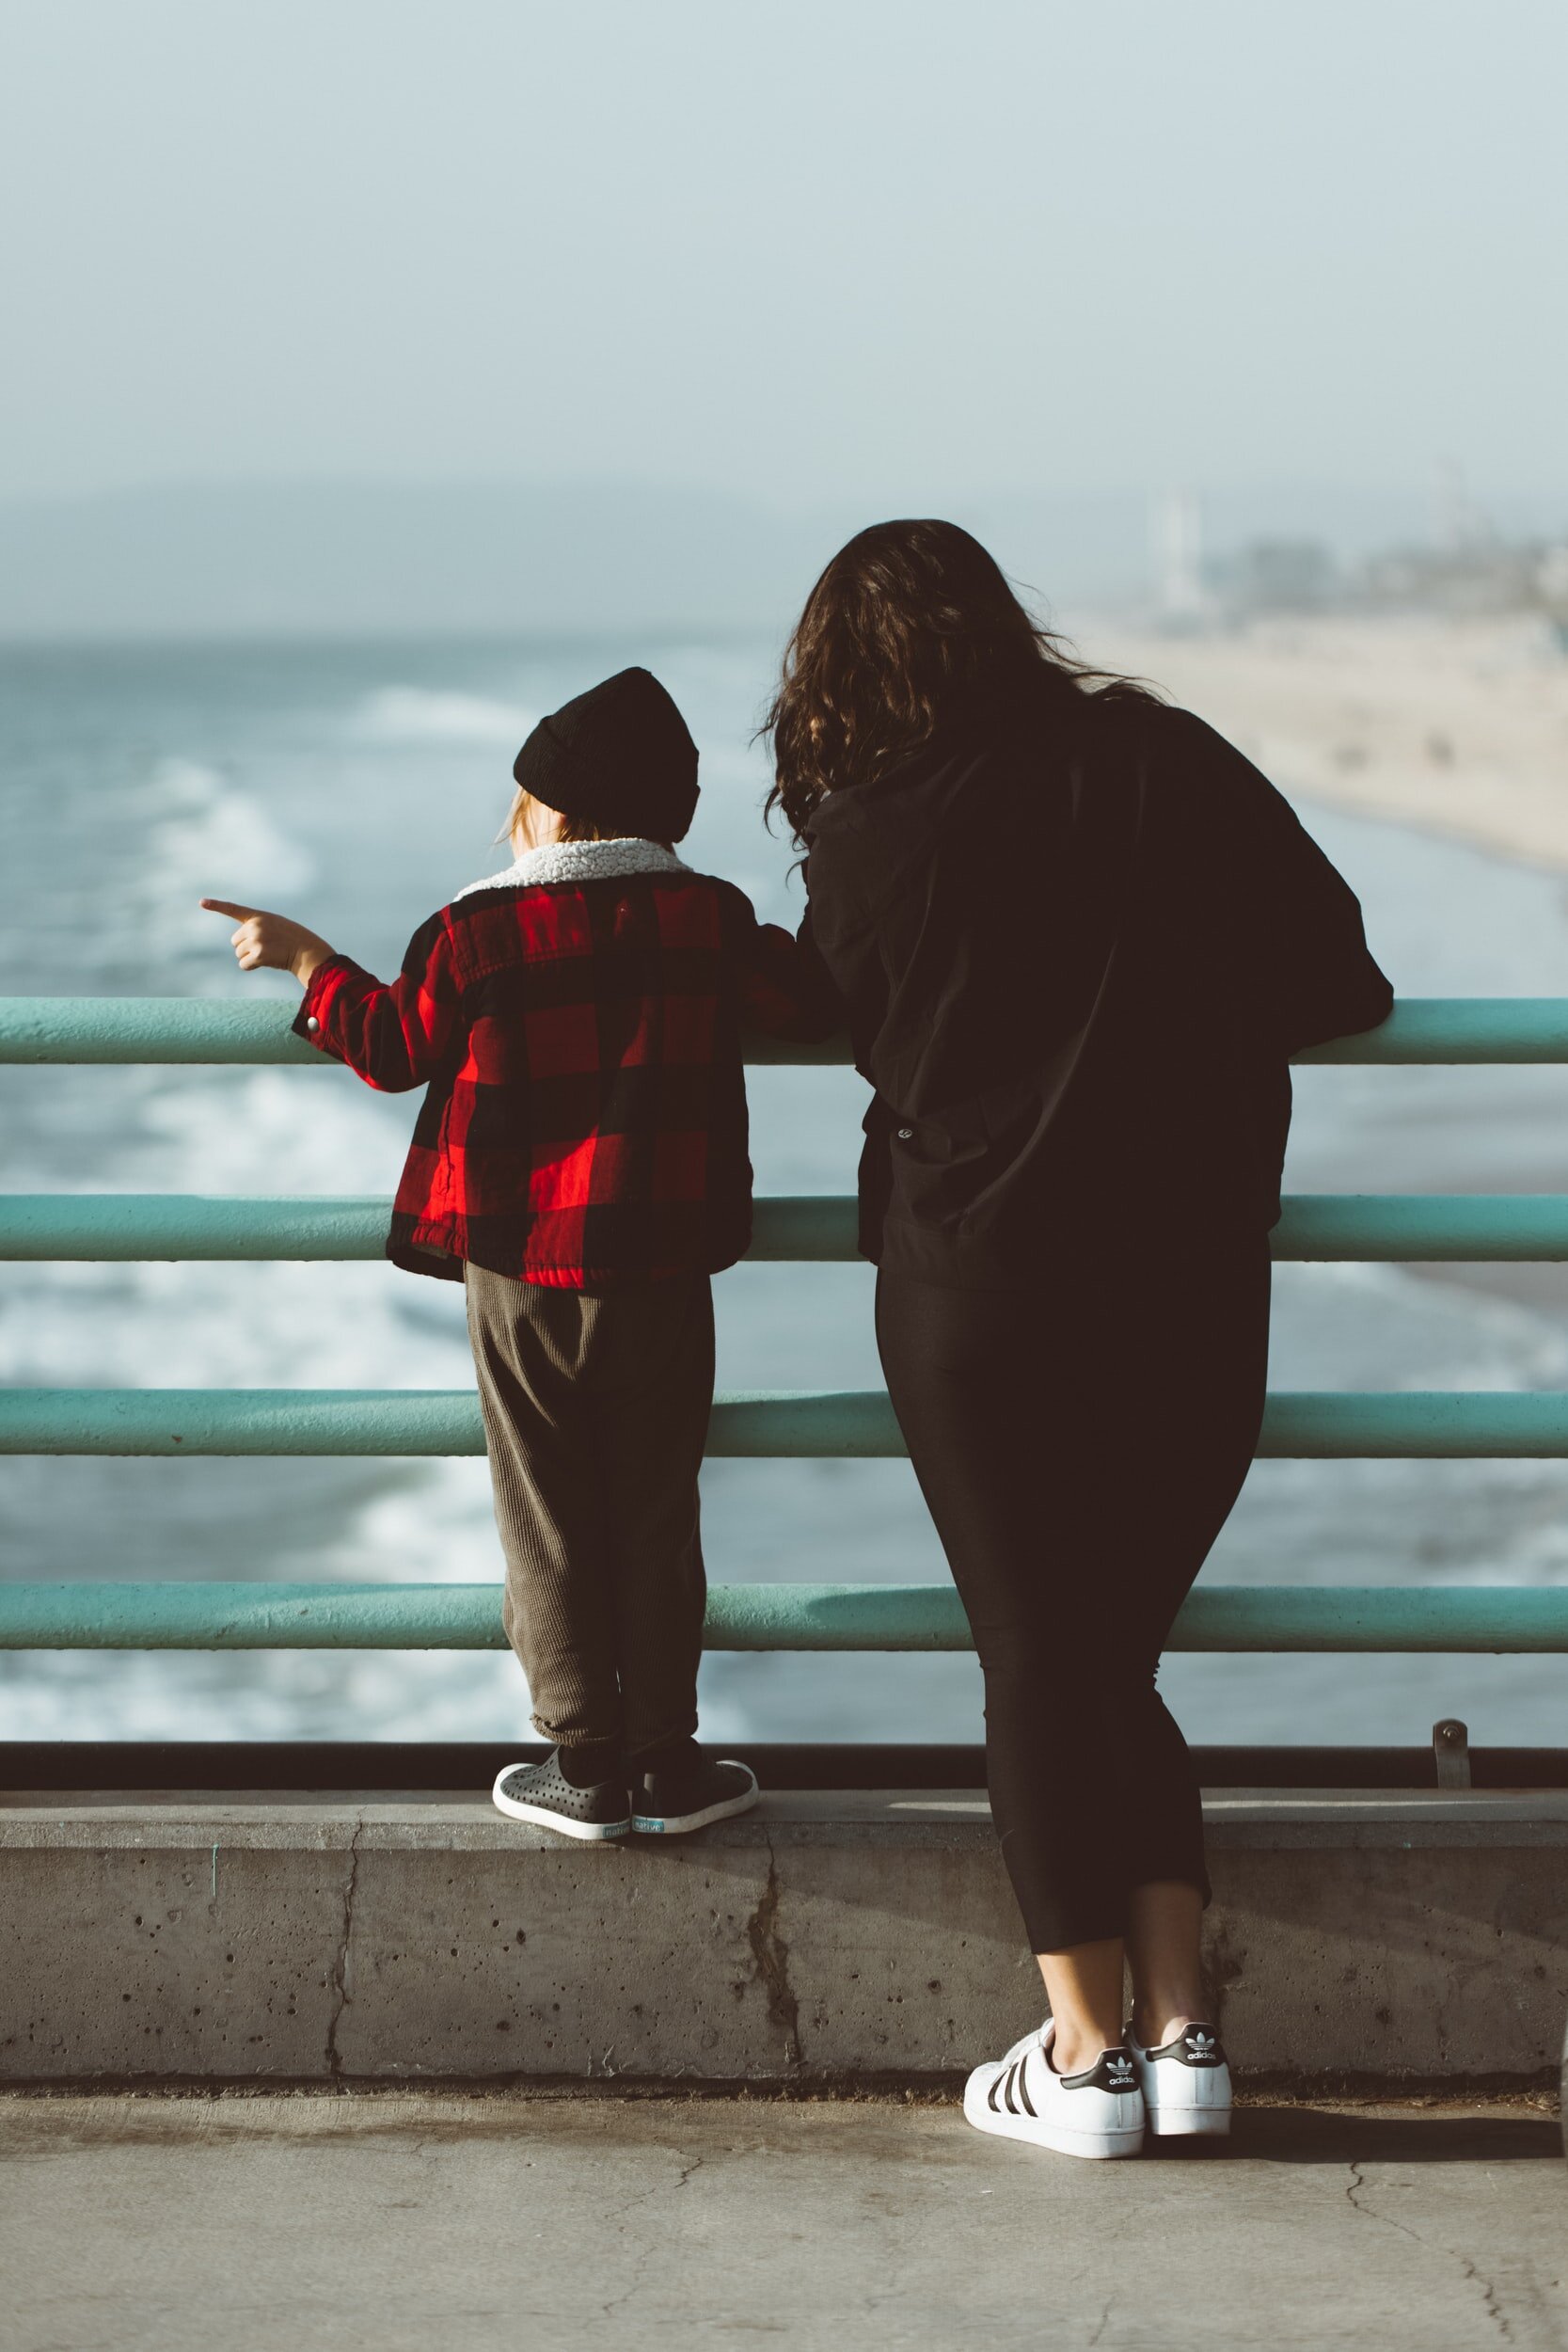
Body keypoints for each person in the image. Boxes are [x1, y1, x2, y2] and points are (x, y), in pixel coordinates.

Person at [768, 521, 1394, 2160]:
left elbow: (833, 1012)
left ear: (838, 677)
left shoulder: (872, 832)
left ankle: (1087, 2054)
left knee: (1040, 1661)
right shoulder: (1159, 756)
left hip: (976, 1288)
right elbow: (1343, 977)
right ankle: (1185, 2040)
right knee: (1107, 1655)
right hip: (1192, 1282)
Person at [203, 665, 835, 1842]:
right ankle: (668, 1756)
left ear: (544, 812)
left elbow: (393, 1048)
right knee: (655, 1507)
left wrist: (305, 962)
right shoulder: (706, 918)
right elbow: (812, 1001)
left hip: (517, 1267)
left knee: (543, 1509)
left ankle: (581, 1761)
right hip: (661, 1264)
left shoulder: (473, 930)